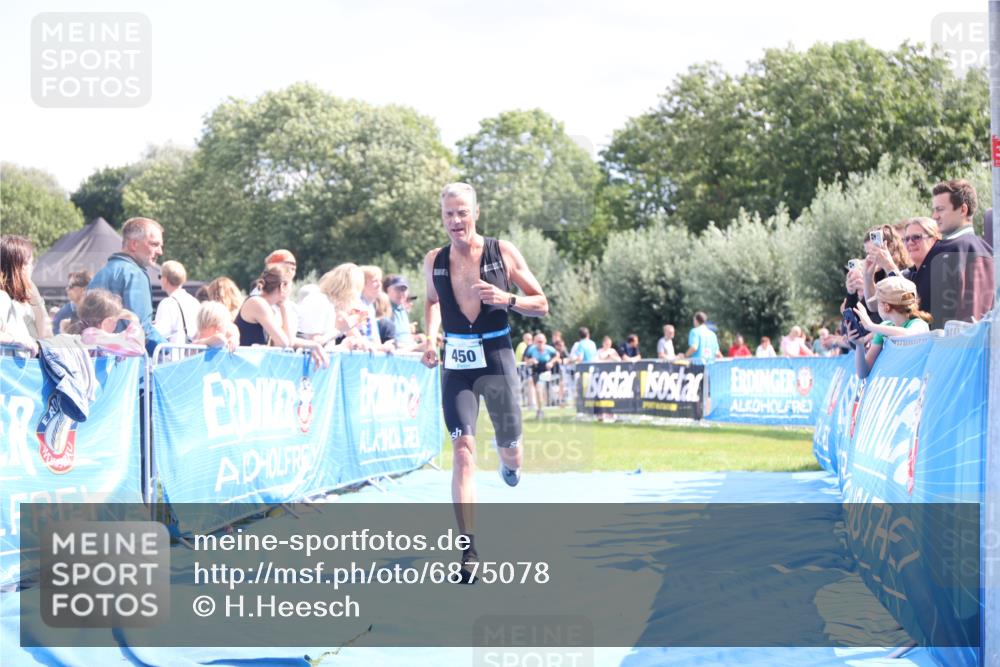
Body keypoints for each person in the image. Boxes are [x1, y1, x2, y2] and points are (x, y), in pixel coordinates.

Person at [421, 182, 547, 583]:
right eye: (448, 215)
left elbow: (541, 303)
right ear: (441, 217)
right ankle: (468, 549)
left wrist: (506, 299)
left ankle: (508, 458)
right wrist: (430, 337)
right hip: (457, 362)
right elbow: (432, 301)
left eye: (462, 213)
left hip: (496, 354)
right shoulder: (434, 260)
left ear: (476, 212)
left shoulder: (502, 252)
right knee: (462, 451)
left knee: (511, 451)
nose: (456, 221)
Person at [88, 217, 165, 356]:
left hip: (98, 363)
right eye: (154, 244)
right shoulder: (135, 274)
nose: (160, 252)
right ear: (134, 244)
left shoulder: (100, 273)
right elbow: (143, 328)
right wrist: (170, 349)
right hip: (129, 367)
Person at [927, 179, 995, 325]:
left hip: (955, 345)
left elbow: (971, 317)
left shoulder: (966, 250)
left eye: (940, 209)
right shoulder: (965, 248)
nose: (934, 216)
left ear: (963, 210)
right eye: (934, 210)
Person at [234, 265, 327, 368]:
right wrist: (285, 305)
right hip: (242, 367)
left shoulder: (268, 306)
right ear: (283, 286)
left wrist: (313, 345)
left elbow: (289, 340)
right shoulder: (257, 303)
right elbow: (284, 343)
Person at [848, 276, 932, 379]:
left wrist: (871, 326)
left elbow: (909, 335)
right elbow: (863, 373)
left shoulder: (919, 324)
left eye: (878, 303)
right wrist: (859, 345)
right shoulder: (884, 327)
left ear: (886, 307)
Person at [0, 235, 51, 355]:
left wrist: (34, 294)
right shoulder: (2, 298)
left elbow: (45, 337)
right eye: (30, 263)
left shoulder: (25, 302)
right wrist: (18, 341)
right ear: (19, 267)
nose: (32, 268)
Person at [66, 289, 145, 357]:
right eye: (115, 321)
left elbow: (117, 338)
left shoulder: (87, 333)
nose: (116, 325)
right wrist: (134, 321)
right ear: (107, 322)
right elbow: (136, 348)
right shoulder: (91, 336)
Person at [899, 217, 941, 318]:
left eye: (916, 237)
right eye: (906, 239)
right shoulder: (907, 275)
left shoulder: (943, 272)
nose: (909, 242)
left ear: (934, 240)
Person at [154, 260, 200, 344]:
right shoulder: (195, 302)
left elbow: (160, 332)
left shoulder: (167, 303)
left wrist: (150, 328)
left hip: (173, 355)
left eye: (160, 276)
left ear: (165, 279)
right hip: (193, 354)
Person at [523, 332, 559, 420]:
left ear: (545, 341)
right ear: (535, 342)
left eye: (541, 341)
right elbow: (525, 359)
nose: (540, 343)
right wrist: (531, 360)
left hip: (546, 372)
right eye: (538, 341)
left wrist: (551, 362)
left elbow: (557, 356)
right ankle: (540, 410)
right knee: (538, 391)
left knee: (539, 388)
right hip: (535, 372)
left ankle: (540, 410)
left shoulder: (550, 349)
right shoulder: (531, 349)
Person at [383, 274, 422, 351]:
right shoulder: (384, 308)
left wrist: (415, 338)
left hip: (407, 350)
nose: (401, 293)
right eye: (397, 289)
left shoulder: (402, 309)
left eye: (404, 289)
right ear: (388, 290)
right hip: (395, 352)